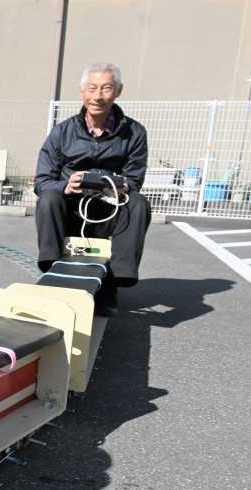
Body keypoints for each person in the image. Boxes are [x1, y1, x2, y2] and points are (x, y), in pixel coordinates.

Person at [34, 62, 151, 317]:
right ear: (82, 92)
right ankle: (51, 267)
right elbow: (42, 180)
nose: (98, 96)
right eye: (92, 88)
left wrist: (119, 187)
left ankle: (117, 277)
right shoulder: (61, 132)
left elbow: (135, 179)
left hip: (108, 208)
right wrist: (65, 186)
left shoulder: (134, 132)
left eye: (107, 88)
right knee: (49, 196)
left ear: (118, 91)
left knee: (139, 203)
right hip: (70, 209)